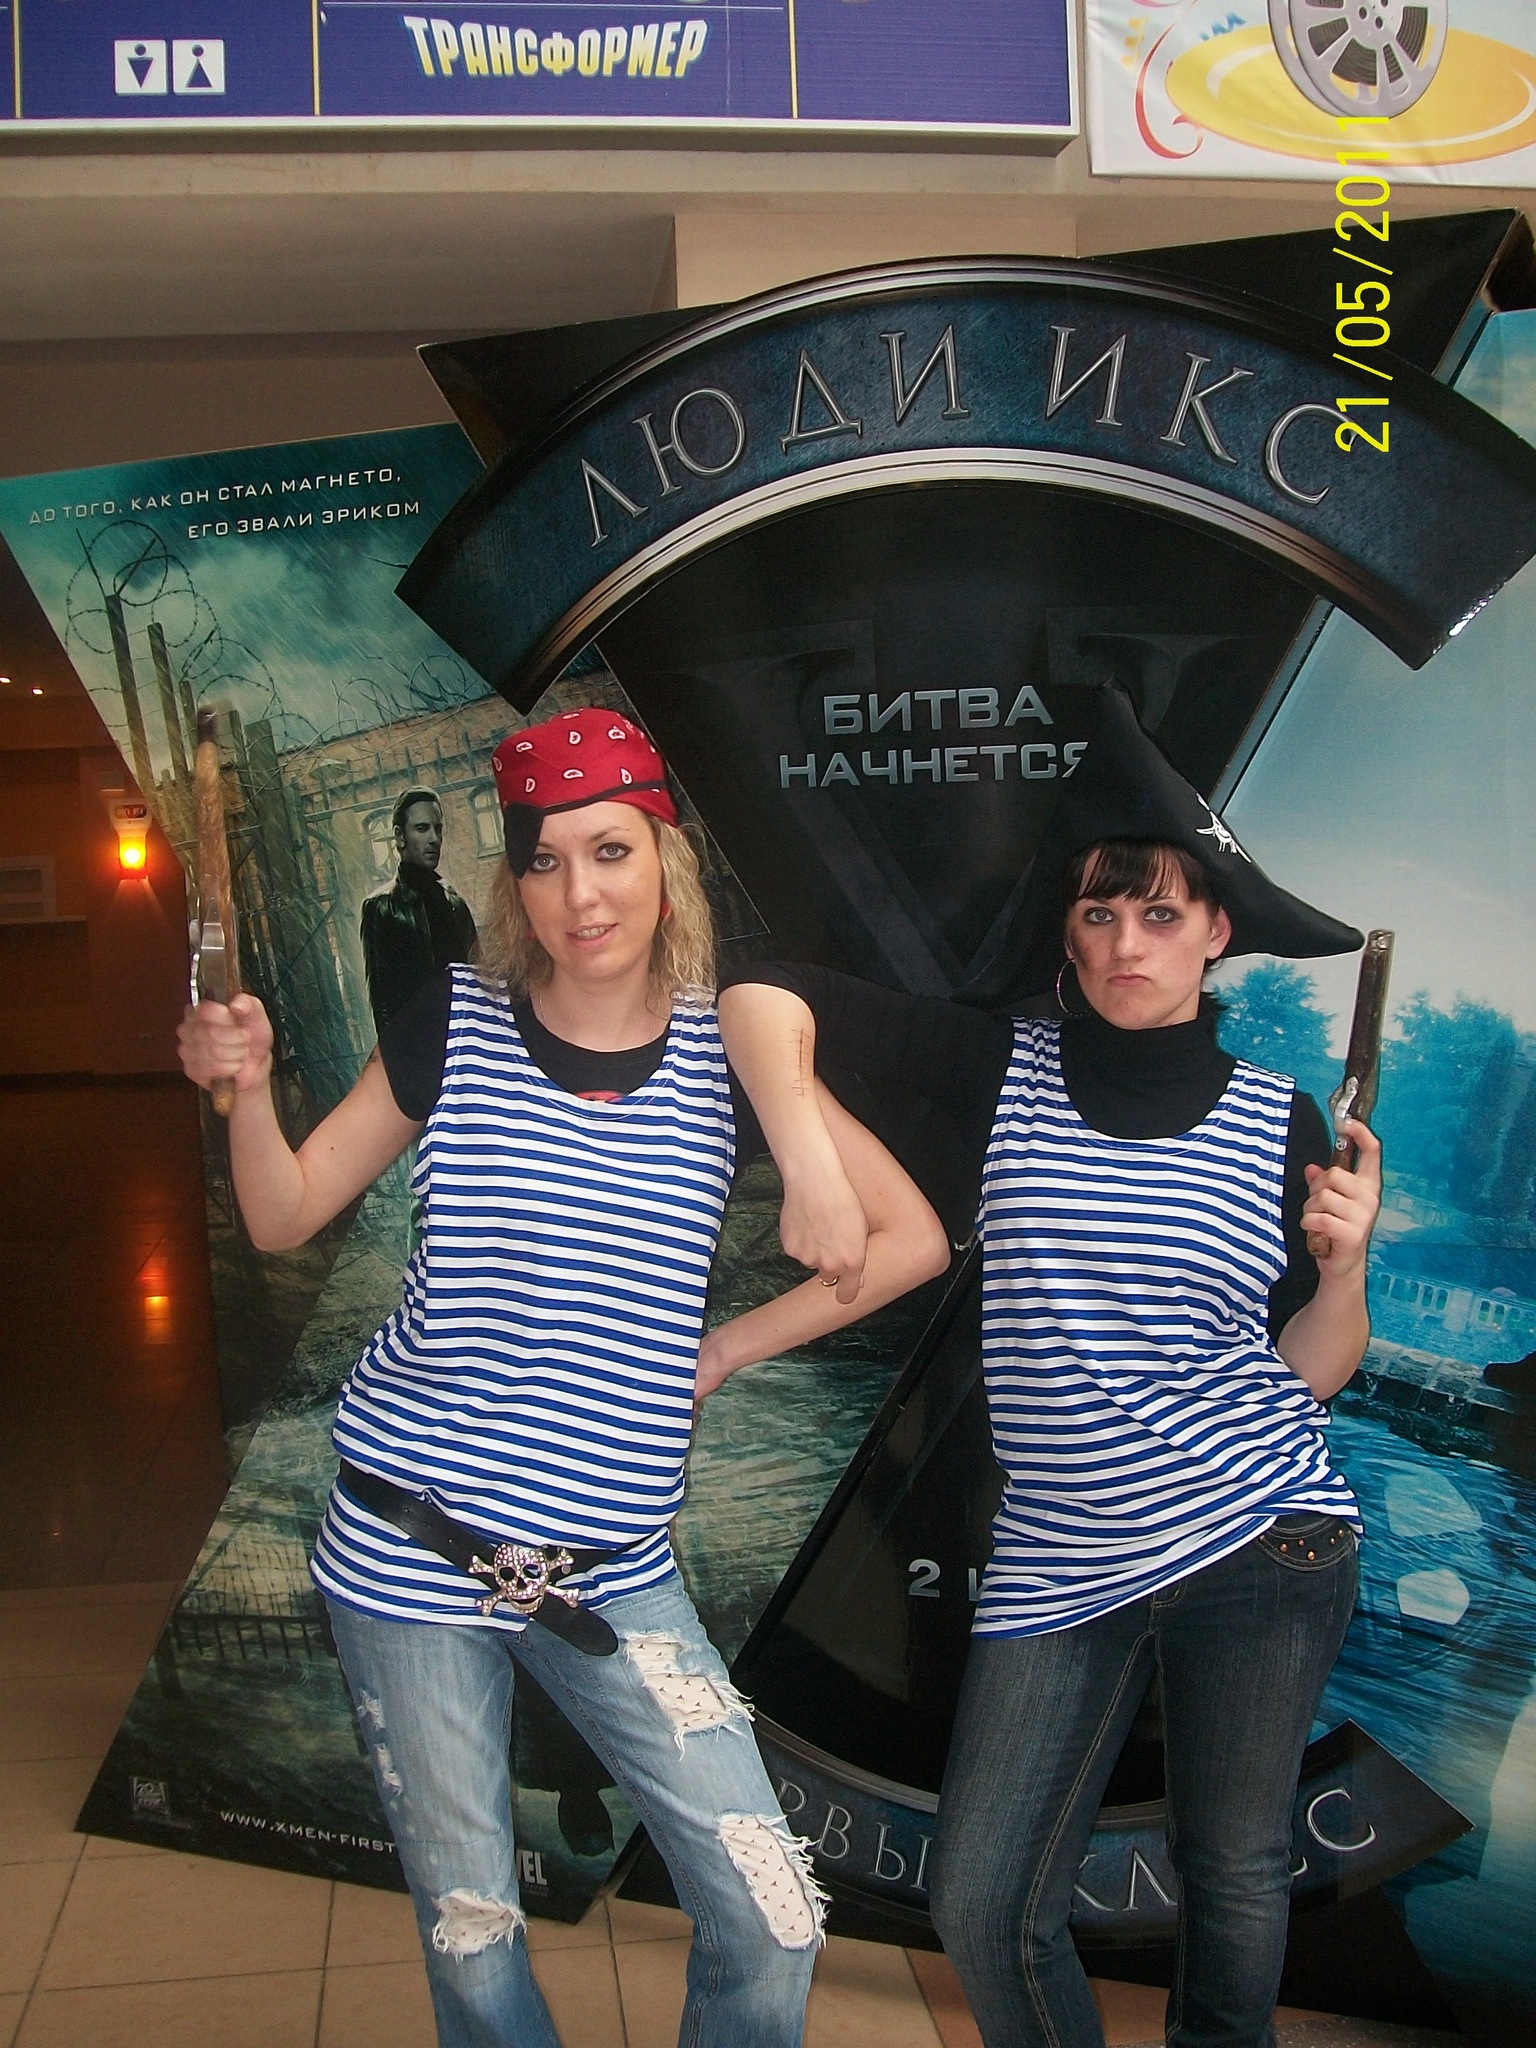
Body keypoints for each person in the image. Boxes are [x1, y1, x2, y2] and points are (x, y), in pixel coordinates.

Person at [179, 706, 948, 2048]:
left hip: (612, 1564)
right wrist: (244, 1093)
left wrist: (726, 1349)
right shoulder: (456, 1022)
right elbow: (285, 1212)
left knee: (774, 1915)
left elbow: (913, 1242)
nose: (580, 894)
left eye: (610, 851)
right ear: (515, 886)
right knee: (475, 1942)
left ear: (665, 861)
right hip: (407, 1542)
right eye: (545, 860)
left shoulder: (726, 1049)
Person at [717, 688, 1382, 2048]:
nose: (1128, 942)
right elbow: (760, 993)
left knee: (1234, 1873)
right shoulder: (998, 1066)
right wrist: (808, 1160)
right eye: (1099, 911)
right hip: (1057, 1554)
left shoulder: (1282, 1120)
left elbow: (1310, 1370)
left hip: (1256, 1537)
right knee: (980, 1896)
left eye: (1159, 913)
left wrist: (1348, 1266)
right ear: (1067, 934)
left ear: (1216, 930)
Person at [360, 786, 479, 1032]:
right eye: (422, 828)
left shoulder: (454, 903)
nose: (434, 838)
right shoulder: (383, 907)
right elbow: (383, 1002)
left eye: (438, 829)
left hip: (465, 1037)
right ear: (400, 836)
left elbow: (477, 978)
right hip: (418, 1041)